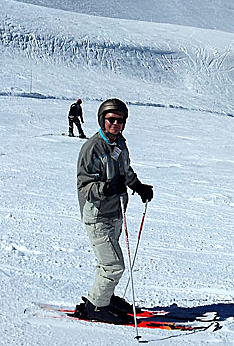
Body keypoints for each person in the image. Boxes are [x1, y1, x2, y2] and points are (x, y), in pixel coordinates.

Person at [76, 98, 154, 324]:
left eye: (120, 120)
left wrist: (137, 186)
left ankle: (103, 298)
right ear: (102, 120)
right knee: (113, 265)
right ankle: (97, 308)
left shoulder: (119, 144)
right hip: (98, 215)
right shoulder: (92, 148)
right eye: (111, 119)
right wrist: (108, 188)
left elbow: (124, 170)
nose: (116, 124)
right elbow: (84, 186)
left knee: (107, 262)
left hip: (116, 214)